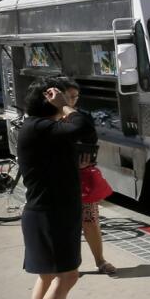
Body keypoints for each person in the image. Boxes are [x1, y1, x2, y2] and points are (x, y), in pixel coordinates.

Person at [18, 78, 93, 299]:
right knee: (67, 276)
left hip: (46, 212)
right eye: (68, 97)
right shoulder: (40, 126)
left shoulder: (38, 128)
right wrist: (64, 107)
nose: (73, 103)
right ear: (49, 99)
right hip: (50, 214)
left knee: (48, 276)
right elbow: (83, 126)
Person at [55, 78, 116, 274]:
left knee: (90, 221)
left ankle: (100, 261)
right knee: (64, 225)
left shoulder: (80, 117)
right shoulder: (49, 119)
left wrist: (87, 159)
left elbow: (90, 139)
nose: (73, 101)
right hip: (57, 180)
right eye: (69, 97)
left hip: (81, 178)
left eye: (76, 97)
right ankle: (66, 265)